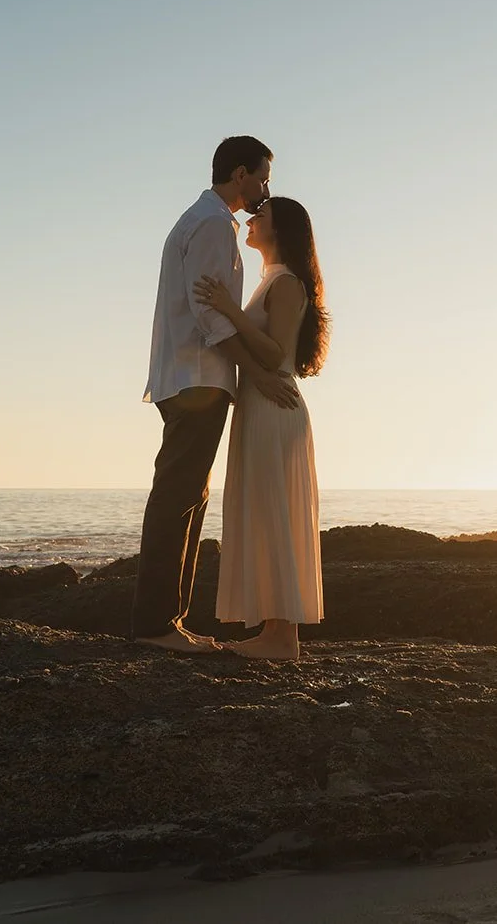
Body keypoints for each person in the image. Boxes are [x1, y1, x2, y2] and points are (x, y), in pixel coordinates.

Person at [134, 136, 299, 654]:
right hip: (196, 378)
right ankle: (157, 627)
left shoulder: (205, 220)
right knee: (177, 498)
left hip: (190, 377)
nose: (266, 190)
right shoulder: (212, 224)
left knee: (187, 497)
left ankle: (169, 621)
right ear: (242, 173)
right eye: (263, 178)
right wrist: (256, 371)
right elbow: (208, 315)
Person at [194, 196, 329, 660]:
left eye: (262, 216)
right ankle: (275, 633)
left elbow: (276, 354)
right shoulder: (269, 280)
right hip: (260, 403)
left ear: (282, 230)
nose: (251, 219)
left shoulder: (287, 281)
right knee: (264, 512)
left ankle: (282, 638)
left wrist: (229, 311)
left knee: (276, 513)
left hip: (276, 407)